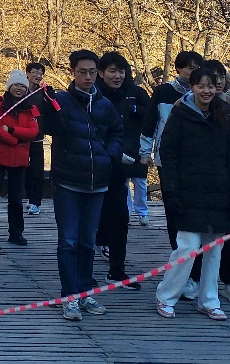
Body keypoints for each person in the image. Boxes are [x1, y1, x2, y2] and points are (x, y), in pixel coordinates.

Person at [154, 66, 230, 322]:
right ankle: (166, 296)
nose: (206, 91)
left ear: (218, 87)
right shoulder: (180, 115)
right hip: (188, 194)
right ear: (192, 87)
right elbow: (168, 156)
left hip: (219, 194)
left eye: (211, 86)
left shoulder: (225, 117)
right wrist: (171, 192)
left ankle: (209, 300)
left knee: (214, 249)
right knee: (187, 247)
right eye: (201, 86)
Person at [47, 50, 123, 322]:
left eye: (92, 72)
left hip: (97, 183)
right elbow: (47, 127)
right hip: (68, 181)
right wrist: (46, 105)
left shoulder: (104, 104)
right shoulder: (61, 101)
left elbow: (117, 132)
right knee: (68, 240)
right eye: (82, 72)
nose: (88, 77)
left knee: (88, 242)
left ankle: (84, 291)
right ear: (73, 72)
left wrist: (110, 156)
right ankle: (69, 295)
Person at [186, 61, 230, 305]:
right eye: (207, 82)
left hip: (227, 182)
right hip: (196, 183)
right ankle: (192, 279)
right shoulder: (183, 108)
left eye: (219, 79)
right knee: (194, 237)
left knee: (229, 235)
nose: (214, 85)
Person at [95, 51, 149, 289]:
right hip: (94, 167)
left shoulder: (134, 94)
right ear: (101, 73)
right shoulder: (92, 95)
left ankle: (117, 270)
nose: (117, 76)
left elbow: (148, 120)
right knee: (92, 219)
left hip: (120, 168)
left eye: (121, 71)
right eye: (112, 71)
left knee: (120, 217)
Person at [143, 51, 204, 251]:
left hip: (195, 159)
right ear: (178, 68)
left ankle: (192, 250)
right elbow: (150, 122)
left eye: (197, 68)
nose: (194, 72)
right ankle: (176, 248)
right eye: (190, 68)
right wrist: (145, 152)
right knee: (172, 203)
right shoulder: (164, 92)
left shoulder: (203, 94)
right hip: (166, 158)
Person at [0, 70, 40, 246]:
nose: (19, 88)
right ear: (9, 86)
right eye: (16, 85)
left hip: (19, 159)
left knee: (16, 198)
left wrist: (12, 130)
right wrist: (16, 140)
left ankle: (16, 232)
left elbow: (34, 131)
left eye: (22, 85)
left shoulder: (30, 108)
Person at [22, 62, 58, 216]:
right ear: (27, 73)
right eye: (35, 72)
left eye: (40, 73)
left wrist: (51, 96)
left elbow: (54, 108)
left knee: (37, 170)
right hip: (21, 136)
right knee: (22, 169)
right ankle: (26, 197)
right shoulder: (20, 89)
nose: (38, 75)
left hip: (37, 135)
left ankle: (35, 202)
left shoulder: (44, 92)